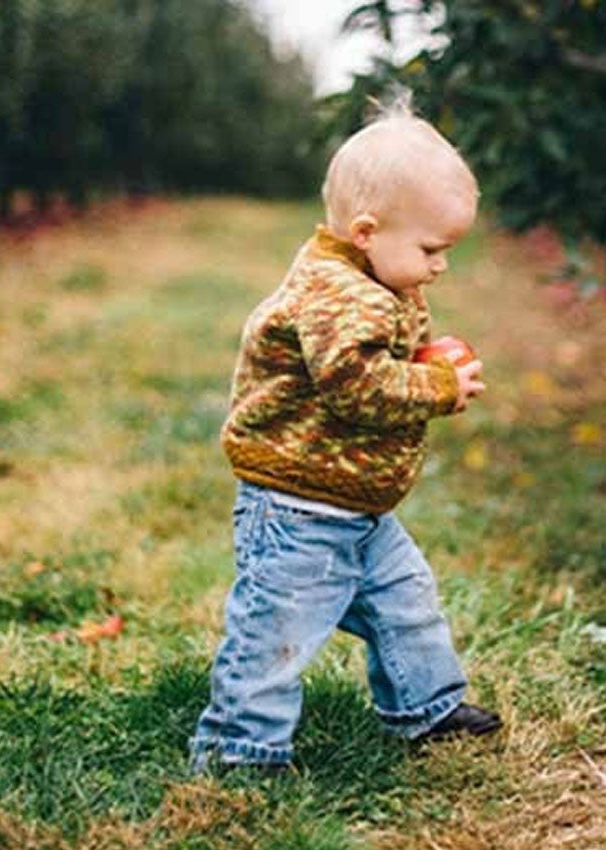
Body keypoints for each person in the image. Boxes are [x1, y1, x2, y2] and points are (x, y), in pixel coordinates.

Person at [189, 95, 502, 774]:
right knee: (275, 629)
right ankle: (239, 749)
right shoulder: (340, 294)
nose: (440, 266)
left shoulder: (370, 280)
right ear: (366, 232)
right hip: (297, 509)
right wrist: (437, 386)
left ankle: (426, 707)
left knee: (406, 603)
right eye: (431, 249)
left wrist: (420, 359)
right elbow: (356, 385)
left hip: (353, 502)